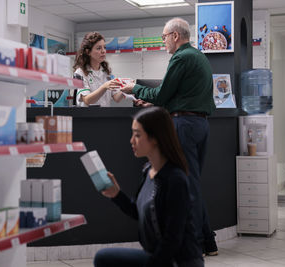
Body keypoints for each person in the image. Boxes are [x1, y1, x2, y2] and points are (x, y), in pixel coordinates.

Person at [120, 17, 218, 256]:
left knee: (186, 184)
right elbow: (180, 95)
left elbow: (162, 94)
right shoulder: (199, 56)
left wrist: (135, 88)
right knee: (192, 182)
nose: (163, 41)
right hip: (200, 124)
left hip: (183, 125)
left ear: (175, 36)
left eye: (164, 36)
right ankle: (207, 241)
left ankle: (194, 245)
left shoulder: (181, 57)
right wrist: (154, 99)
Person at [94, 107, 203, 267]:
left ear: (155, 138)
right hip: (157, 256)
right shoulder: (148, 171)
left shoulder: (175, 179)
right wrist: (116, 195)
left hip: (178, 261)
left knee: (104, 259)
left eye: (137, 135)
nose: (132, 140)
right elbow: (139, 213)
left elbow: (173, 238)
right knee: (103, 257)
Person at [73, 32, 124, 107]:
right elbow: (87, 100)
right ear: (88, 52)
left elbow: (117, 98)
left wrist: (125, 89)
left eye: (104, 47)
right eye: (99, 48)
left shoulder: (107, 72)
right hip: (88, 117)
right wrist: (104, 87)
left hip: (104, 116)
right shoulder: (80, 73)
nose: (103, 51)